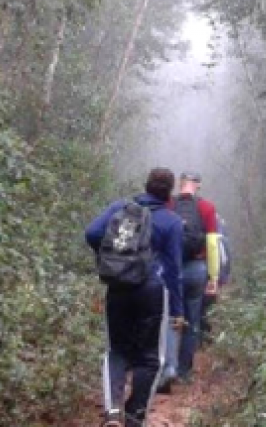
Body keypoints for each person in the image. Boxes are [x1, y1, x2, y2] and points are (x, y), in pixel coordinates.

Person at [85, 168, 184, 427]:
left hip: (118, 287)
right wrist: (177, 309)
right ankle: (135, 415)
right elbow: (174, 268)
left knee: (116, 350)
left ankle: (112, 413)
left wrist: (112, 257)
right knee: (149, 357)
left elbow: (92, 233)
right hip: (152, 290)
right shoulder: (171, 221)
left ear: (146, 185)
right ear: (169, 193)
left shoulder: (121, 207)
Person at [169, 171, 220, 382]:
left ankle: (167, 370)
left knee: (170, 320)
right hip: (196, 269)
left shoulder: (168, 204)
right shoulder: (207, 207)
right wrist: (214, 277)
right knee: (192, 321)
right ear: (197, 185)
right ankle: (184, 373)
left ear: (181, 184)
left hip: (171, 270)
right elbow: (212, 244)